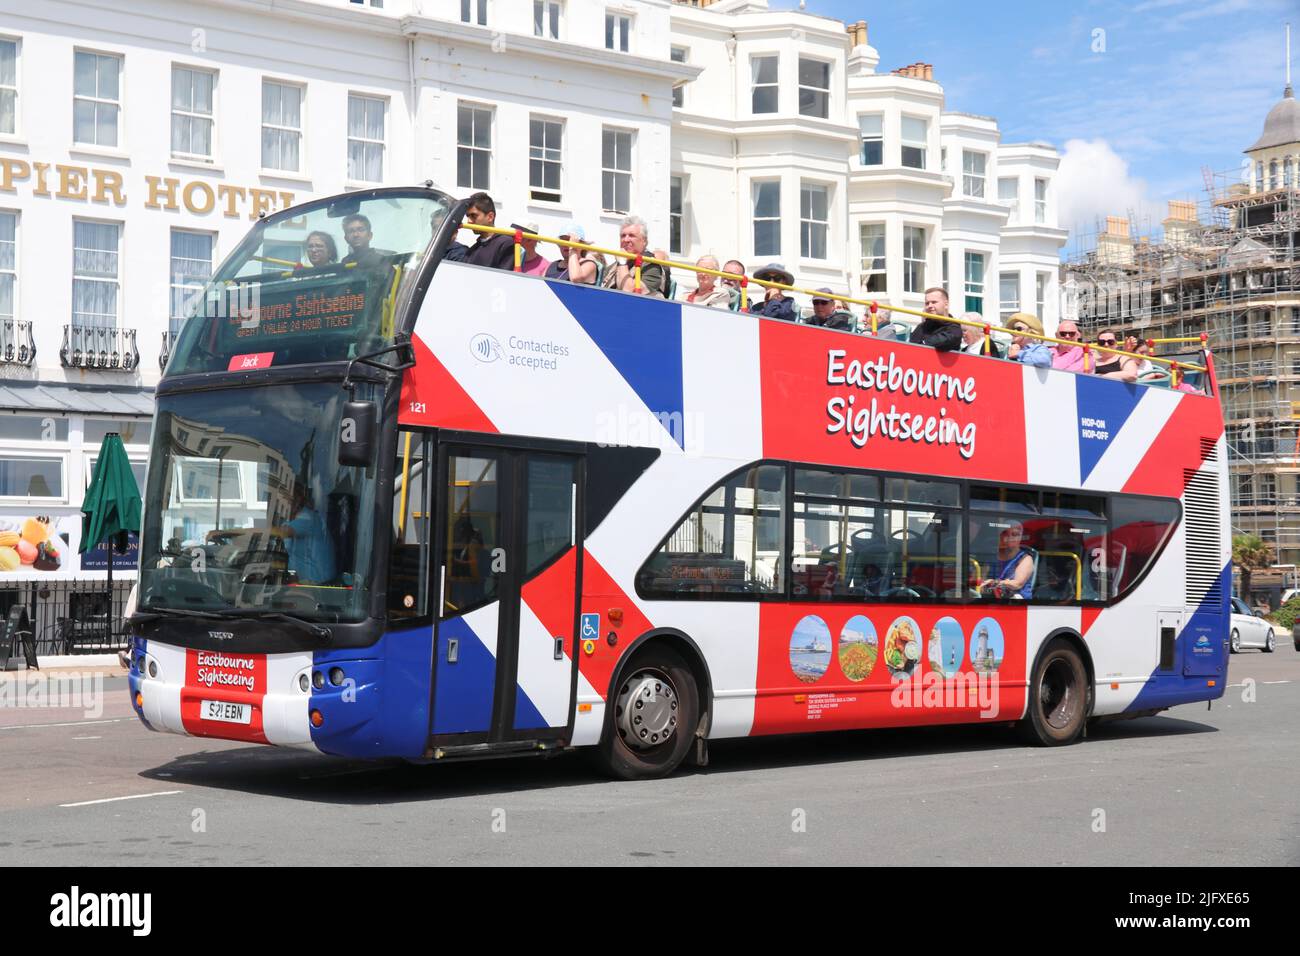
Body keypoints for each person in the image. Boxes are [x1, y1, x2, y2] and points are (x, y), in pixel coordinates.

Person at [273, 487, 336, 585]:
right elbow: (292, 558)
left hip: (318, 583)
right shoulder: (288, 522)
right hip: (300, 582)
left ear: (297, 501)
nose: (280, 505)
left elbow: (284, 532)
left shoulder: (308, 518)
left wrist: (245, 531)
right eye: (278, 500)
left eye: (284, 499)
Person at [602, 216, 668, 297]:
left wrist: (622, 262)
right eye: (623, 236)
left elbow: (629, 292)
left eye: (631, 235)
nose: (626, 240)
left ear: (644, 241)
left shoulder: (652, 266)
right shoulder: (611, 268)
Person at [978, 520, 1034, 600]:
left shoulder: (1025, 558)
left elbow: (1017, 584)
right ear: (999, 536)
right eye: (1005, 533)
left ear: (1020, 537)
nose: (1009, 537)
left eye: (1014, 534)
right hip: (990, 600)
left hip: (1018, 604)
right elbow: (980, 579)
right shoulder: (991, 556)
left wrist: (995, 583)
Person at [462, 192, 516, 270]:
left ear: (490, 217)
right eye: (468, 216)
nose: (469, 221)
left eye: (474, 216)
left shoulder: (506, 244)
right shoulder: (473, 249)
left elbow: (504, 279)